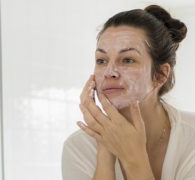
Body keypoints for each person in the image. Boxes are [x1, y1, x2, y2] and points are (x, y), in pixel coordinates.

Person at [62, 4, 195, 180]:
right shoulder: (78, 147)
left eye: (127, 60)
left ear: (161, 75)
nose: (109, 72)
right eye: (101, 60)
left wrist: (134, 159)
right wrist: (105, 151)